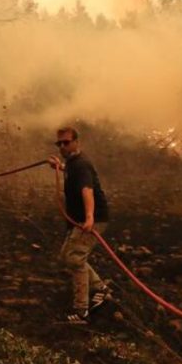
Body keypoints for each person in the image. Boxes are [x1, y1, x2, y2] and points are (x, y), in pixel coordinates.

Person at [48, 126, 110, 324]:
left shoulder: (81, 164)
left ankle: (81, 311)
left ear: (76, 142)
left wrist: (89, 217)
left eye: (66, 142)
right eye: (60, 143)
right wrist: (60, 166)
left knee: (75, 258)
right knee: (68, 256)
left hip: (93, 219)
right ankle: (100, 289)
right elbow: (75, 176)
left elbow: (87, 190)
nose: (62, 146)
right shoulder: (73, 163)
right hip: (81, 220)